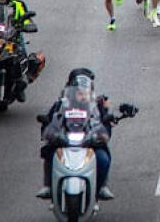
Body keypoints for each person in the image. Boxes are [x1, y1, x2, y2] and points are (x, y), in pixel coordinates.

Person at [35, 68, 132, 201]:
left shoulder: (97, 106)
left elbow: (105, 124)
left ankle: (102, 186)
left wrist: (104, 130)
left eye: (85, 93)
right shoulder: (60, 105)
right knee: (50, 154)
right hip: (64, 142)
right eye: (79, 93)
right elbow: (50, 120)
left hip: (89, 143)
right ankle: (48, 186)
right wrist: (49, 128)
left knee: (103, 158)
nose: (83, 96)